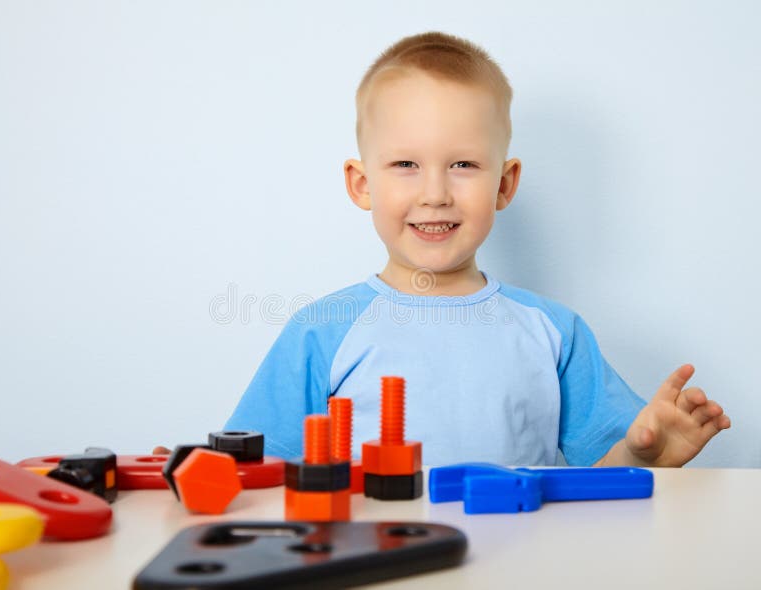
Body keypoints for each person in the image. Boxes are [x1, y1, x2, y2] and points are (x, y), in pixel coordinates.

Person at [160, 31, 730, 467]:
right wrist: (190, 473)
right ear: (363, 184)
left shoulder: (554, 331)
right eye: (406, 165)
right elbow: (253, 473)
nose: (434, 194)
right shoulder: (321, 332)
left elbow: (600, 479)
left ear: (504, 184)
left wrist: (644, 456)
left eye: (463, 165)